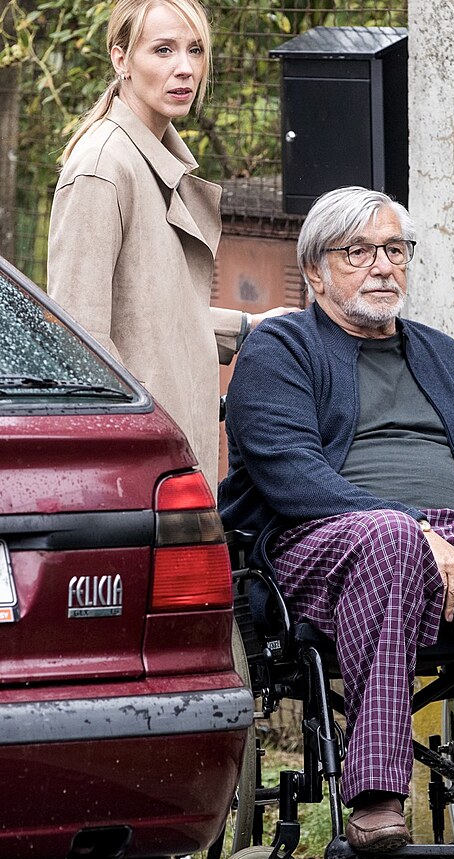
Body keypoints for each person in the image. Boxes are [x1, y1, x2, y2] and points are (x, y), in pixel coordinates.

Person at [218, 185, 454, 852]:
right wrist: (416, 527)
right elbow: (292, 475)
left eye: (395, 250)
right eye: (359, 251)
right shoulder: (281, 349)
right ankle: (377, 796)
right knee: (389, 535)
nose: (382, 266)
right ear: (315, 270)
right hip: (328, 546)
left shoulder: (448, 359)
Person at [47, 0, 290, 496]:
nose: (185, 68)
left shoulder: (151, 157)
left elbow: (149, 311)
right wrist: (137, 453)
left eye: (195, 50)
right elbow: (80, 340)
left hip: (166, 453)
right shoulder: (103, 166)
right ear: (121, 58)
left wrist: (247, 327)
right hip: (136, 467)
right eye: (163, 50)